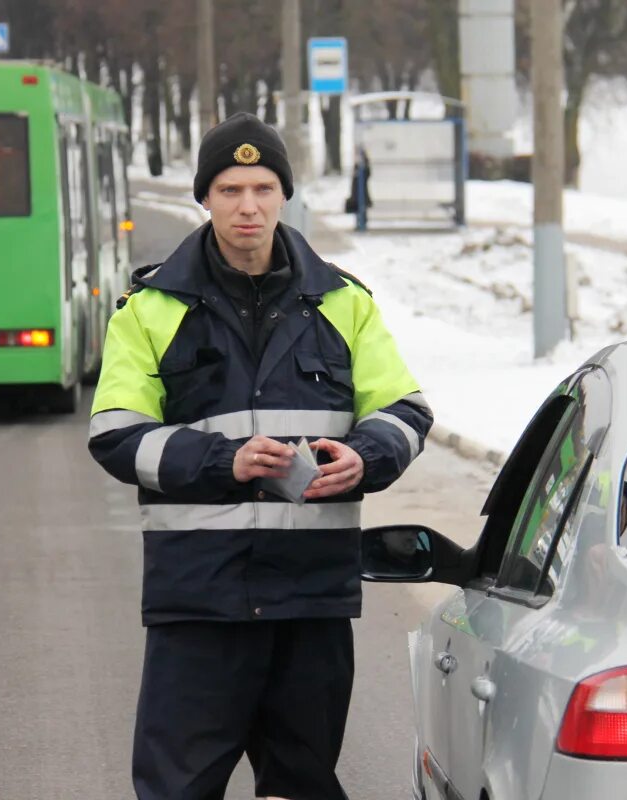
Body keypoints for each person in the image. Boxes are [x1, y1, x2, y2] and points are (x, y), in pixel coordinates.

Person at [87, 112, 433, 800]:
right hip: (200, 604)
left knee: (302, 785)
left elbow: (406, 411)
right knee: (176, 789)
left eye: (263, 187)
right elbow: (116, 435)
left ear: (285, 194)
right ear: (205, 198)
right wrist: (226, 462)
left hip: (310, 600)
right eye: (230, 190)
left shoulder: (345, 303)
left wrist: (364, 457)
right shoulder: (149, 309)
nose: (248, 206)